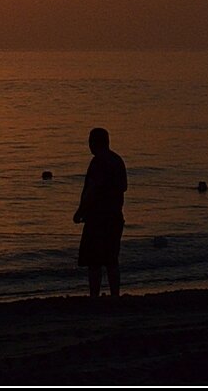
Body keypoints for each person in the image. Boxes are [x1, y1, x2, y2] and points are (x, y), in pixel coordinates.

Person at [73, 127, 128, 298]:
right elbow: (124, 187)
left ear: (96, 143)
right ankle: (115, 295)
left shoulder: (98, 162)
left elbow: (92, 189)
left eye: (90, 141)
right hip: (115, 216)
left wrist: (80, 211)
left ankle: (94, 296)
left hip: (98, 219)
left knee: (94, 261)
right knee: (112, 260)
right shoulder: (117, 160)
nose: (89, 145)